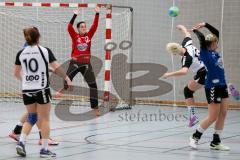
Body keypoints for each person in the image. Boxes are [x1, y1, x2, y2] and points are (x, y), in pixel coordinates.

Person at [14, 27, 72, 157]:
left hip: (27, 90)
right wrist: (67, 78)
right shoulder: (45, 51)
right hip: (42, 89)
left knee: (32, 117)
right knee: (45, 119)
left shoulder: (21, 53)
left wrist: (26, 81)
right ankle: (44, 150)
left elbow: (16, 73)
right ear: (38, 36)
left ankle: (21, 143)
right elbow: (57, 68)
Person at [189, 22, 230, 151]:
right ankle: (195, 136)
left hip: (222, 85)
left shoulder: (214, 51)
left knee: (223, 113)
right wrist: (196, 30)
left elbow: (216, 32)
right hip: (212, 86)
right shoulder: (205, 53)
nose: (217, 44)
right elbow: (202, 39)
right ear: (211, 44)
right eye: (215, 42)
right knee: (213, 116)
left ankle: (215, 142)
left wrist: (205, 24)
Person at [9, 41, 59, 146]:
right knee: (37, 113)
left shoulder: (32, 49)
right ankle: (42, 138)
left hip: (29, 86)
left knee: (32, 112)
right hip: (35, 86)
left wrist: (50, 70)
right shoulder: (30, 48)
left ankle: (16, 131)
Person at [163, 25, 207, 127]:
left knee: (187, 91)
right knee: (216, 84)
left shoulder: (186, 58)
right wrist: (181, 27)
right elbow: (187, 34)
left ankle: (193, 116)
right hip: (209, 66)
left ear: (174, 54)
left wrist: (169, 74)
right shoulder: (186, 44)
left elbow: (184, 71)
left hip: (203, 72)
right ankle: (228, 88)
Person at [61, 6, 100, 116]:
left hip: (86, 64)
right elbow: (69, 27)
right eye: (81, 27)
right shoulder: (75, 36)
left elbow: (95, 26)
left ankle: (95, 107)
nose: (84, 28)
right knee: (66, 81)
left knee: (93, 85)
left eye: (85, 27)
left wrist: (97, 13)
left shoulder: (89, 36)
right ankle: (65, 87)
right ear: (78, 29)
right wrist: (74, 15)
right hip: (75, 63)